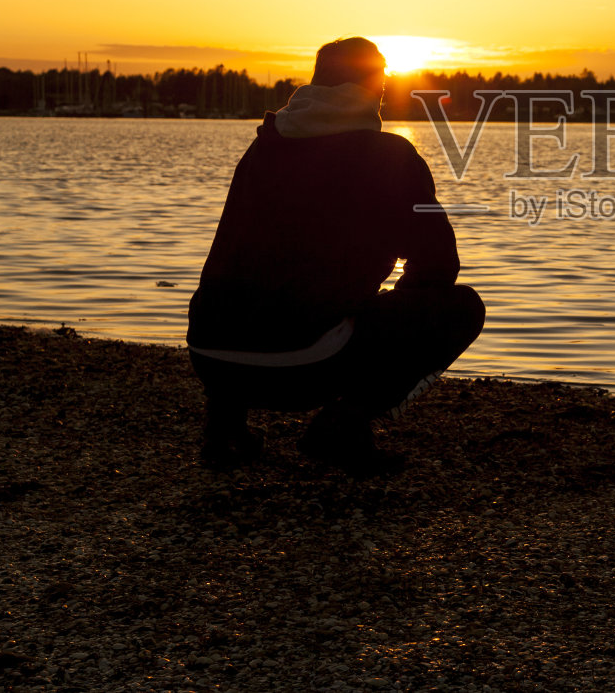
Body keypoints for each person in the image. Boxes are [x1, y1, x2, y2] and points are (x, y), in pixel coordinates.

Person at [186, 36, 484, 476]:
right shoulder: (391, 157)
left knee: (247, 289)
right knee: (462, 308)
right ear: (377, 87)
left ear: (314, 83)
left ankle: (224, 424)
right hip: (305, 368)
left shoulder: (262, 147)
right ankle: (346, 423)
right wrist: (389, 321)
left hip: (210, 356)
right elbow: (438, 263)